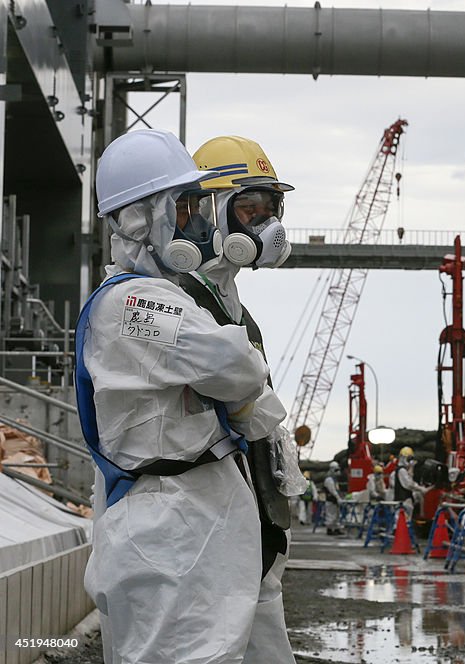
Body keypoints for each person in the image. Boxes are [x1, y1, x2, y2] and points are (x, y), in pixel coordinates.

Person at [77, 129, 277, 663]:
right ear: (141, 219)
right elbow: (235, 366)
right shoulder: (133, 302)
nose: (197, 222)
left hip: (191, 528)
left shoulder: (158, 296)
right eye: (184, 207)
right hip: (170, 533)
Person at [188, 136, 305, 664]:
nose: (264, 225)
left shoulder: (232, 303)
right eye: (248, 208)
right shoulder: (180, 297)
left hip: (251, 514)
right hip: (206, 516)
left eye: (270, 209)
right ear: (209, 209)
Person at [394, 446, 432, 517]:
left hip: (405, 500)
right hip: (403, 501)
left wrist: (411, 469)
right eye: (409, 459)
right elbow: (409, 484)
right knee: (402, 522)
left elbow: (409, 481)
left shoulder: (402, 470)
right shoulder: (402, 471)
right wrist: (421, 489)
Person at [323, 461, 345, 534]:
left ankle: (336, 529)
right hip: (330, 500)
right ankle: (330, 529)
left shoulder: (334, 479)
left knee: (337, 515)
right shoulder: (329, 479)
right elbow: (333, 491)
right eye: (336, 470)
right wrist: (338, 498)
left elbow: (337, 490)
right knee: (331, 515)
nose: (337, 472)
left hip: (334, 500)